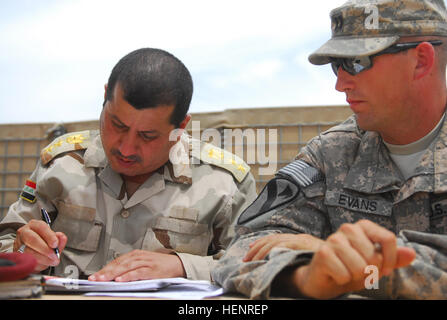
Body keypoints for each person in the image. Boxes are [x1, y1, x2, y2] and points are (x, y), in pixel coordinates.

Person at [212, 0, 447, 299]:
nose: (340, 83)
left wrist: (350, 263)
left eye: (356, 62)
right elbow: (242, 249)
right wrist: (304, 275)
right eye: (337, 65)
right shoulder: (331, 154)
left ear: (421, 60)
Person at [0, 48, 257, 282]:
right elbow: (7, 244)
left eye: (147, 136)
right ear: (104, 97)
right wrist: (22, 251)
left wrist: (182, 266)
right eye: (117, 125)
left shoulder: (226, 183)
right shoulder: (60, 164)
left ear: (180, 127)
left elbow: (257, 267)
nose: (126, 148)